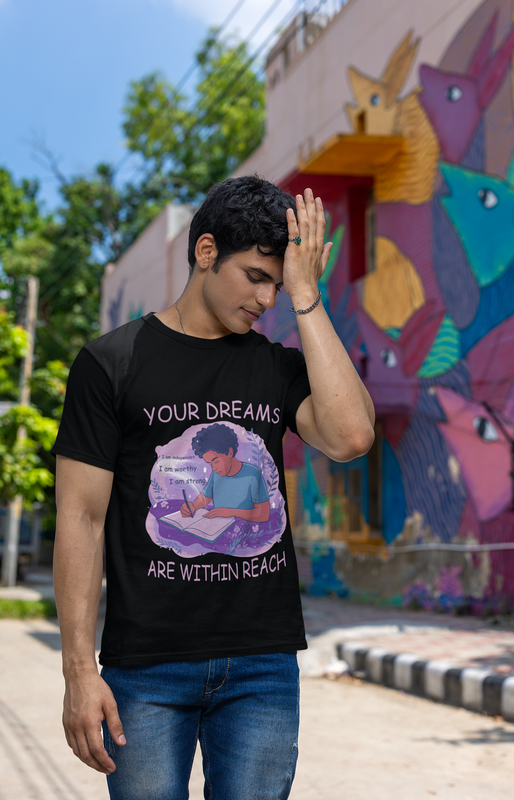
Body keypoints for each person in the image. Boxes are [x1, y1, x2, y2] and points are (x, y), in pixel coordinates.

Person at [52, 175, 375, 800]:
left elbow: (352, 437)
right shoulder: (110, 363)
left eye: (278, 284)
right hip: (145, 669)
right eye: (256, 276)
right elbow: (80, 519)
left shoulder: (276, 366)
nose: (267, 298)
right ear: (206, 252)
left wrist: (308, 296)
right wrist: (78, 672)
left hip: (261, 666)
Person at [183, 422, 270, 522]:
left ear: (230, 452)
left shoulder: (253, 474)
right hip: (218, 527)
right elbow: (205, 497)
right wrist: (192, 507)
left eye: (216, 461)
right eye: (210, 464)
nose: (214, 468)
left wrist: (229, 512)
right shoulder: (216, 473)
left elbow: (263, 514)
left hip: (243, 529)